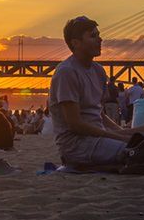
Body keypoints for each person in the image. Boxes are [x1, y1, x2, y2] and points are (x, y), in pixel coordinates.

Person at [47, 16, 129, 169]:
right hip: (77, 145)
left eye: (98, 35)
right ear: (75, 43)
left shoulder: (99, 71)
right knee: (137, 152)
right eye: (93, 36)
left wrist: (123, 132)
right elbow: (75, 125)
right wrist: (118, 137)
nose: (100, 39)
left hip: (99, 138)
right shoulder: (66, 72)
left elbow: (100, 115)